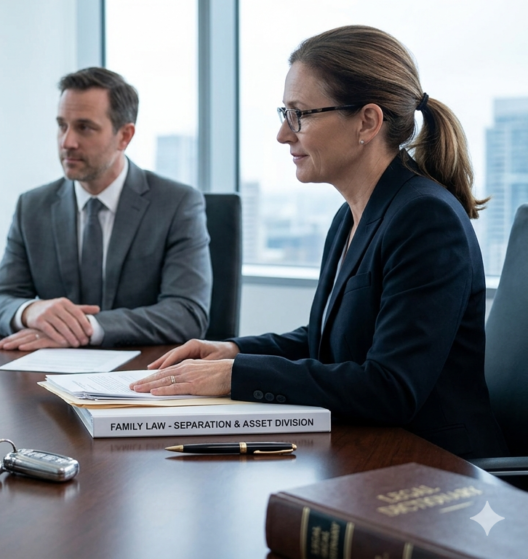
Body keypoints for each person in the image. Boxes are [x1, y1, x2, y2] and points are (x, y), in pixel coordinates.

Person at [130, 26, 508, 459]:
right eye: (284, 114)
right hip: (368, 455)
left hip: (434, 469)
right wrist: (233, 350)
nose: (284, 135)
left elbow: (391, 388)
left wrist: (237, 375)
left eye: (301, 114)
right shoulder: (352, 213)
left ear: (367, 121)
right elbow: (330, 342)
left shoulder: (425, 218)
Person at [0, 67, 212, 350]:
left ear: (124, 136)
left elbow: (187, 313)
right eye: (62, 125)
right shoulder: (33, 206)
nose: (67, 142)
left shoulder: (177, 204)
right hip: (44, 376)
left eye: (84, 127)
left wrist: (86, 329)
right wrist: (29, 311)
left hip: (140, 378)